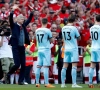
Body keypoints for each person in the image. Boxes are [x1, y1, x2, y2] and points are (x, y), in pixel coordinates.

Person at [6, 5, 34, 85]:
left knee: (23, 65)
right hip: (15, 47)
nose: (23, 20)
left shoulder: (23, 26)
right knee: (17, 64)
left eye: (23, 19)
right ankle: (8, 74)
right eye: (22, 19)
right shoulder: (14, 25)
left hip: (22, 47)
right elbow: (10, 19)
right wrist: (12, 12)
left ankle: (21, 81)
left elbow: (28, 19)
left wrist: (31, 13)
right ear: (17, 19)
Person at [61, 15, 82, 88]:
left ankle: (63, 84)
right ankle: (74, 84)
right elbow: (79, 38)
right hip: (73, 48)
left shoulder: (63, 28)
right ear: (74, 21)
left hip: (66, 48)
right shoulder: (74, 28)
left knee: (64, 66)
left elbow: (63, 38)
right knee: (74, 66)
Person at [35, 18, 55, 87]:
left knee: (38, 66)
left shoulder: (37, 30)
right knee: (46, 66)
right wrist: (53, 39)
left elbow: (36, 39)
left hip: (40, 49)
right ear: (47, 23)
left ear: (41, 22)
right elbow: (51, 40)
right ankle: (46, 83)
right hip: (46, 49)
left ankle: (37, 82)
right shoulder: (47, 30)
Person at [88, 15, 100, 88]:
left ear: (95, 19)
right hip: (99, 47)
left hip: (93, 47)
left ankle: (90, 83)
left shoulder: (91, 28)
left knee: (92, 65)